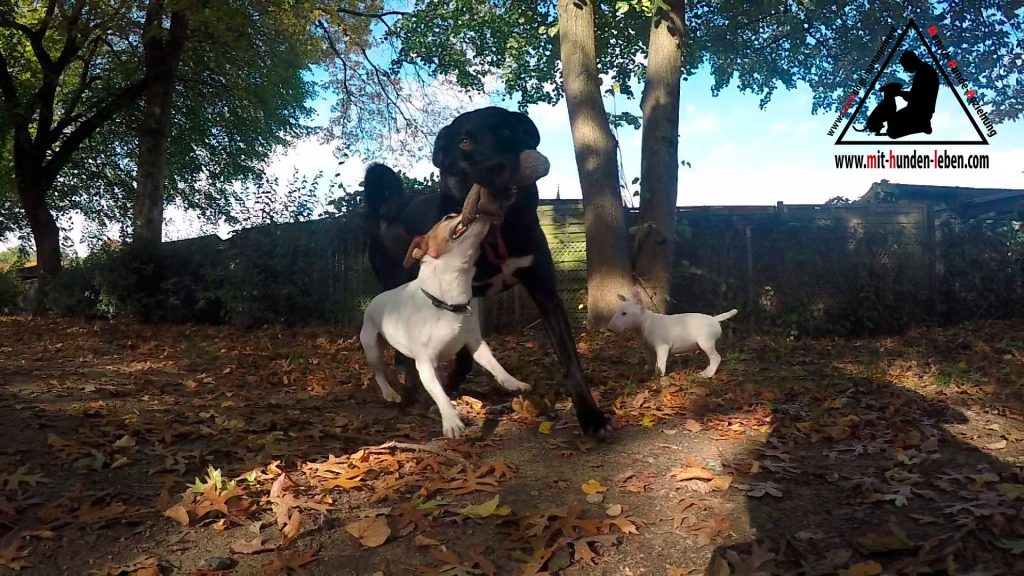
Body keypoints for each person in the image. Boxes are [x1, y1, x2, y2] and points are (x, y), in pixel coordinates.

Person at [884, 49, 939, 138]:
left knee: (892, 132)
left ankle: (922, 125)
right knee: (891, 127)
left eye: (905, 66)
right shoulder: (924, 70)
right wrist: (900, 93)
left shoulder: (924, 72)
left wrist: (898, 93)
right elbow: (915, 95)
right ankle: (923, 125)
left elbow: (916, 97)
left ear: (910, 61)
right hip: (918, 110)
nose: (905, 69)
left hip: (919, 111)